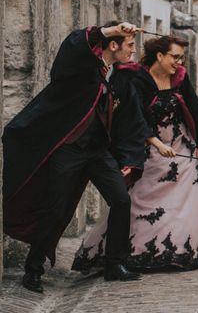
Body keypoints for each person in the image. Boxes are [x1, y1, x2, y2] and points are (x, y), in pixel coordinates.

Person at [2, 22, 149, 293]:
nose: (133, 50)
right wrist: (111, 28)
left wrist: (129, 158)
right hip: (68, 150)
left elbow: (130, 121)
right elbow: (72, 47)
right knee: (56, 209)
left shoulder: (118, 77)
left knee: (120, 199)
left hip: (98, 153)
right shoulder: (80, 69)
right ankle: (33, 269)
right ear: (113, 45)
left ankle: (115, 264)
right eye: (129, 45)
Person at [72, 35, 198, 272]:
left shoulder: (180, 78)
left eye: (181, 57)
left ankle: (175, 252)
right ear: (159, 56)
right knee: (142, 200)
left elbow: (194, 109)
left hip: (181, 146)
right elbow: (134, 117)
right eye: (174, 56)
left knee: (187, 200)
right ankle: (136, 253)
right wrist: (156, 144)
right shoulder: (138, 79)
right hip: (149, 147)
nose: (179, 62)